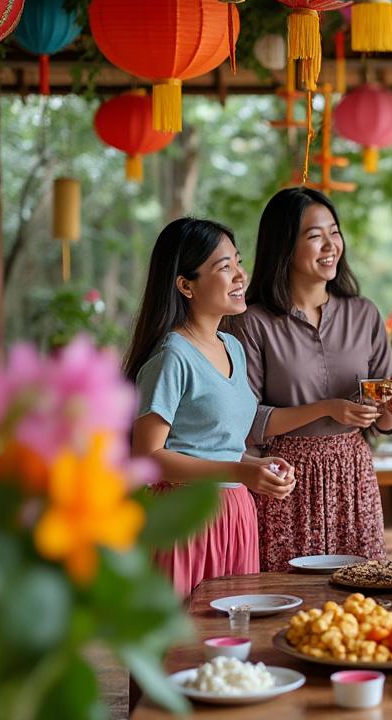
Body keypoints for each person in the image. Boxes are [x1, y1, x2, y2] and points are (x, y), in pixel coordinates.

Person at [228, 188, 392, 570]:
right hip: (285, 478)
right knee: (289, 596)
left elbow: (382, 421)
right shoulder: (254, 321)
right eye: (315, 235)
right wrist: (329, 408)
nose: (330, 245)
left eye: (334, 231)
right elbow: (246, 419)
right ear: (285, 246)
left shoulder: (363, 314)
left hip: (353, 473)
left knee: (361, 595)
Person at [125, 217, 295, 597]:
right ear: (185, 285)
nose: (240, 275)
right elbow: (148, 456)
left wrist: (256, 468)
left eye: (237, 261)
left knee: (233, 643)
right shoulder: (173, 358)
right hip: (186, 517)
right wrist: (239, 469)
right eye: (224, 267)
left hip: (237, 513)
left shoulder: (232, 347)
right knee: (185, 647)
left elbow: (215, 447)